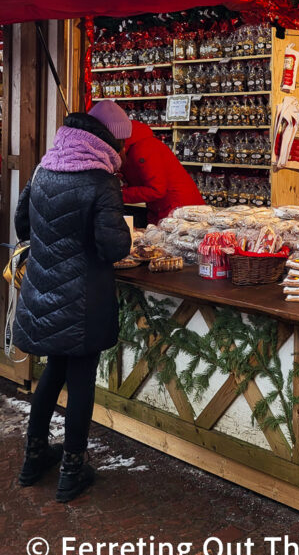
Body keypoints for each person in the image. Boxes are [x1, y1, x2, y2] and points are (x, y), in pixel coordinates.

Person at [13, 100, 132, 502]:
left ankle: (33, 458)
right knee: (81, 382)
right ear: (110, 141)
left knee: (52, 373)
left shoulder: (45, 167)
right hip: (83, 300)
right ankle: (71, 471)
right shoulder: (101, 180)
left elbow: (22, 224)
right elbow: (114, 246)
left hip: (43, 292)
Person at [121, 119, 205, 224]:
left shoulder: (143, 149)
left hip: (178, 209)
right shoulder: (134, 147)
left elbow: (156, 189)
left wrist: (120, 194)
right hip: (166, 208)